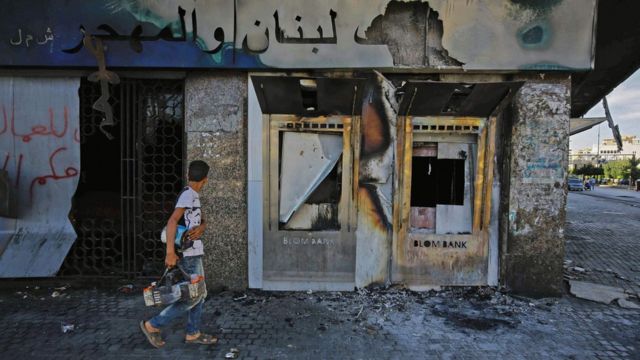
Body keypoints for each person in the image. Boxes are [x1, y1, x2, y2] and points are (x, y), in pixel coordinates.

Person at [140, 160, 216, 348]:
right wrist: (170, 253)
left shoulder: (193, 195)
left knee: (200, 293)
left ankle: (193, 332)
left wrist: (202, 227)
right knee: (195, 295)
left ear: (188, 174)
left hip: (194, 251)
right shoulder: (188, 195)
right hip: (189, 254)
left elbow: (198, 220)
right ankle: (153, 325)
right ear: (205, 179)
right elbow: (172, 221)